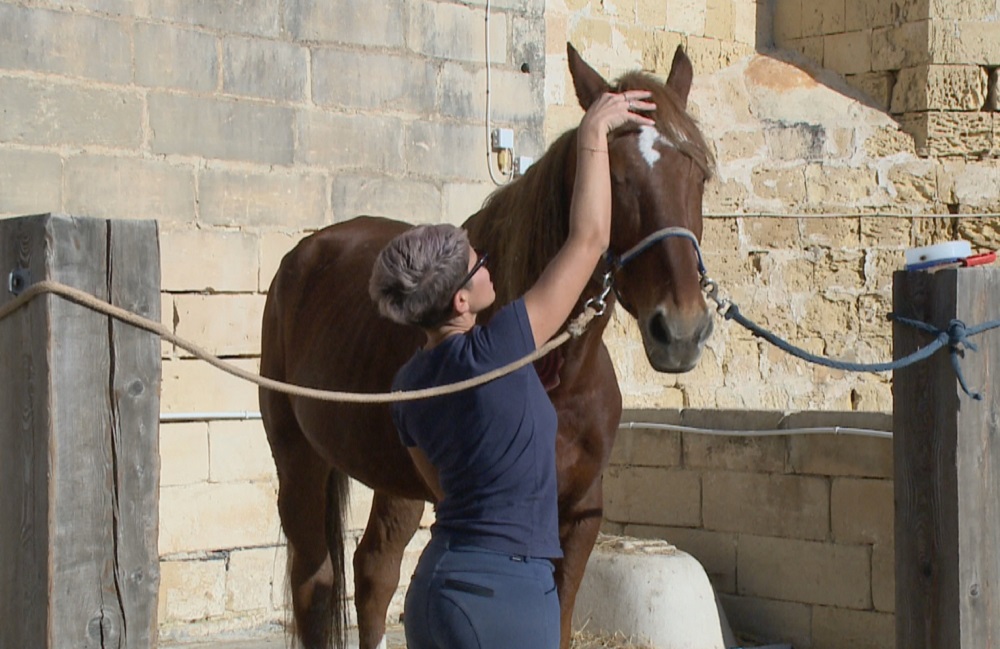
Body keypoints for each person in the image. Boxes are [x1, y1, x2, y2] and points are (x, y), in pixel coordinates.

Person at [368, 89, 656, 649]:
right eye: (477, 263)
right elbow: (591, 237)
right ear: (459, 301)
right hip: (505, 599)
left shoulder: (406, 385)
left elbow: (445, 489)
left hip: (436, 591)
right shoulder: (499, 347)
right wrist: (593, 133)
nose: (487, 263)